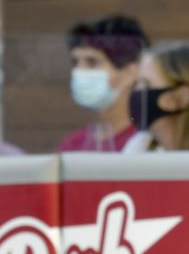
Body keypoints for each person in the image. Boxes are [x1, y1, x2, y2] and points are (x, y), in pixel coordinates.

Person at [58, 15, 148, 153]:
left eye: (92, 62)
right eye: (75, 62)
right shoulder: (72, 145)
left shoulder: (147, 143)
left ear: (130, 72)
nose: (79, 72)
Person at [124, 41, 189, 151]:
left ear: (183, 97)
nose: (137, 91)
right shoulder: (139, 147)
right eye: (136, 83)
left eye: (147, 84)